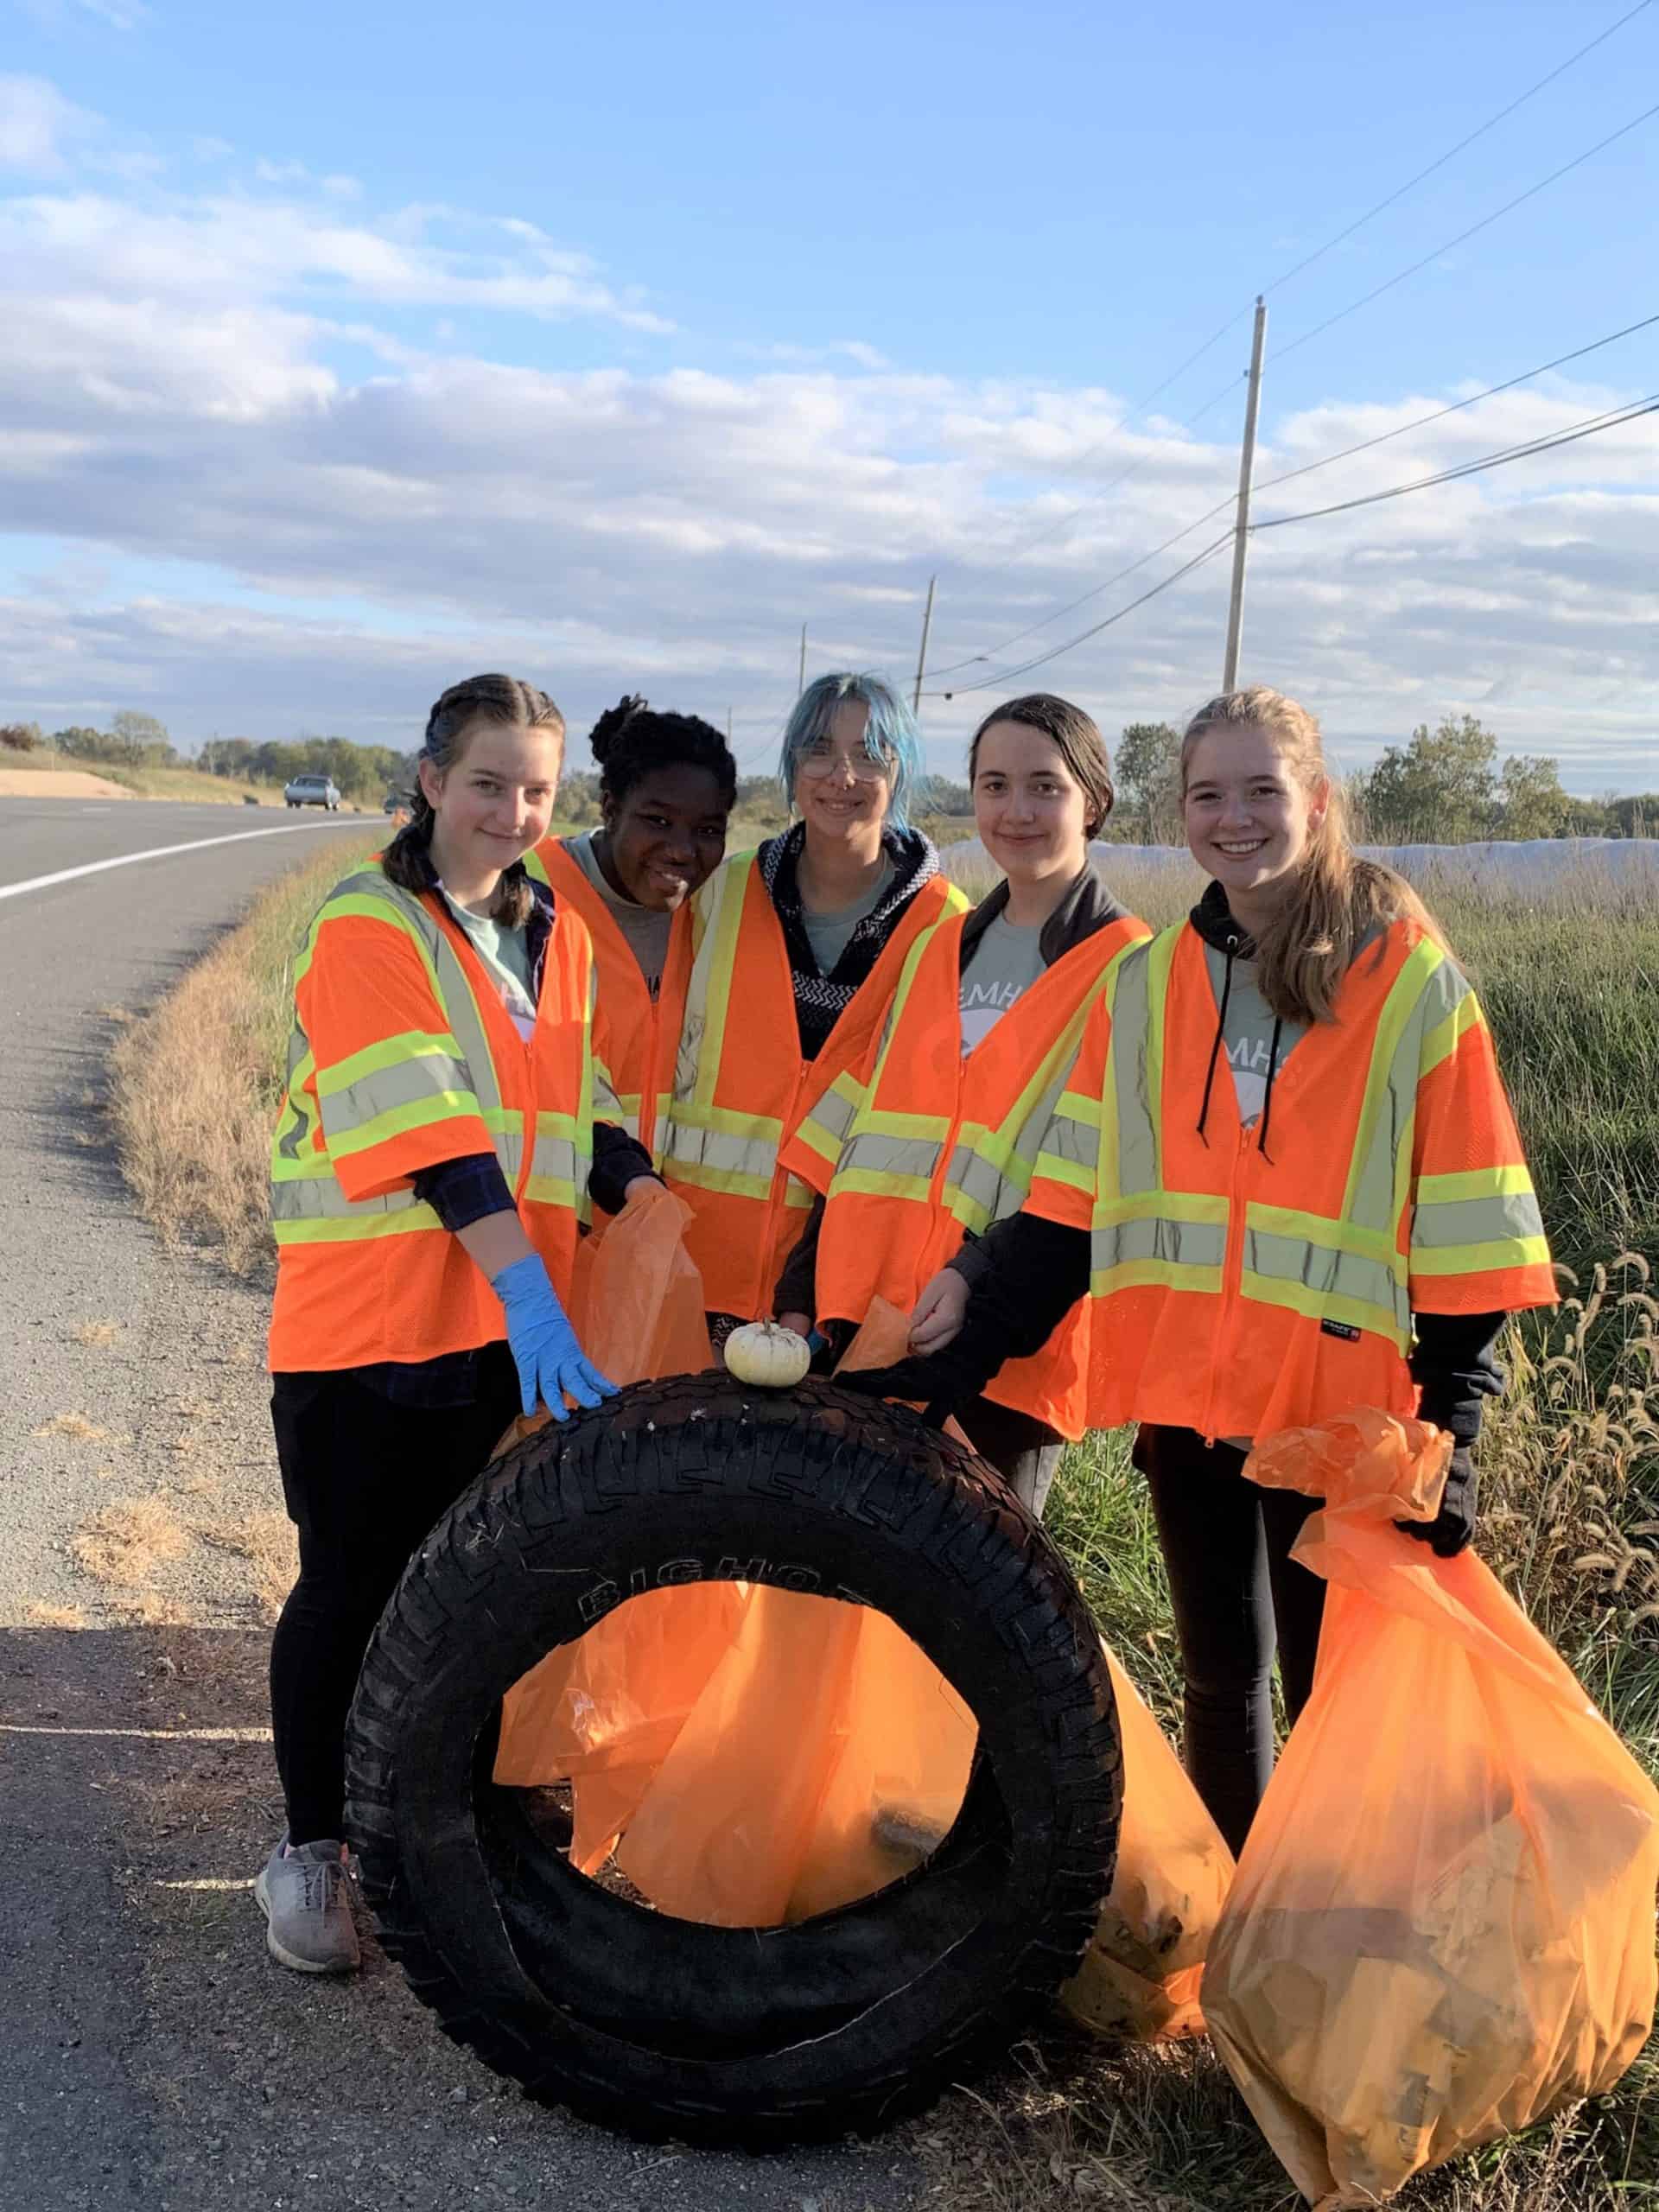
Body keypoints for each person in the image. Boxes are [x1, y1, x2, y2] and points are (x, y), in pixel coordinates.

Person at [848, 686, 1557, 1853]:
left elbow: (1472, 1224)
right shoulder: (1147, 988)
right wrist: (956, 1361)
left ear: (1318, 803)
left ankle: (1334, 1961)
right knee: (1223, 1688)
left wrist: (1457, 1428)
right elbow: (1067, 1213)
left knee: (1344, 1705)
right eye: (1207, 795)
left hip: (1343, 1421)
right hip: (1190, 1409)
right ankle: (1240, 1956)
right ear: (1178, 811)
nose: (1234, 820)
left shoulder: (1408, 982)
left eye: (1262, 792)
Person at [259, 672, 658, 1974]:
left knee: (469, 1591)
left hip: (494, 1340)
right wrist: (535, 1290)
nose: (513, 811)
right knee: (353, 1588)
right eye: (488, 782)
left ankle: (436, 1831)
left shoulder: (558, 935)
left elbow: (576, 1099)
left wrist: (638, 1189)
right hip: (372, 1333)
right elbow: (436, 1136)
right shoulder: (370, 927)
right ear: (431, 780)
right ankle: (315, 1854)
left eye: (538, 790)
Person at [776, 693, 1148, 1513]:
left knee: (979, 1599)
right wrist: (804, 1285)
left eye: (1045, 786)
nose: (1016, 811)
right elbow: (859, 1125)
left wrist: (980, 1277)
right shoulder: (935, 948)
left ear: (1095, 802)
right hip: (870, 1329)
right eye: (994, 784)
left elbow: (1098, 1174)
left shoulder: (1136, 971)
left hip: (1008, 1348)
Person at [658, 672, 967, 1330]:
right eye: (821, 750)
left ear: (901, 771)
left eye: (871, 755)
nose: (843, 776)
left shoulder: (949, 926)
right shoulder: (723, 892)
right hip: (694, 1270)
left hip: (844, 1293)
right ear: (793, 765)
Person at [531, 695, 736, 1160]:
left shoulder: (720, 912)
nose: (682, 849)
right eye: (657, 821)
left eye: (707, 830)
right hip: (549, 1218)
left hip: (657, 1220)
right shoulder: (529, 893)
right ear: (609, 808)